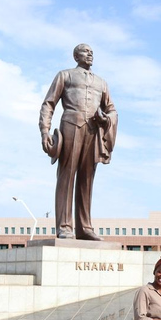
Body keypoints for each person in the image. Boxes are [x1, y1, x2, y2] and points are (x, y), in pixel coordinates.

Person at [39, 43, 118, 240]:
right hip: (70, 126)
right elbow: (49, 104)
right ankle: (65, 226)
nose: (90, 53)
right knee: (67, 176)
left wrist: (106, 119)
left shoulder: (102, 83)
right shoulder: (64, 75)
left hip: (93, 130)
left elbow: (112, 109)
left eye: (92, 51)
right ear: (76, 56)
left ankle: (84, 227)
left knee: (87, 179)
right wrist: (45, 130)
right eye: (85, 51)